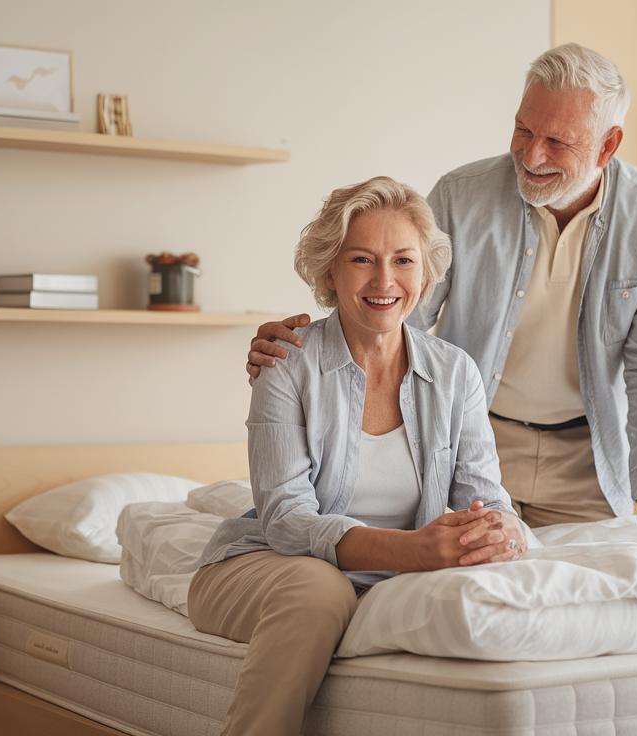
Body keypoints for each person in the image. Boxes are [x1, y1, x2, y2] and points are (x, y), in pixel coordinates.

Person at [248, 43, 637, 548]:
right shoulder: (459, 194)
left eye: (558, 142)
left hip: (587, 457)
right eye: (524, 130)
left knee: (586, 607)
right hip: (474, 445)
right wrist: (307, 351)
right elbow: (397, 309)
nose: (532, 156)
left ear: (606, 147)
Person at [192, 176, 528, 736]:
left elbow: (488, 498)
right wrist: (415, 551)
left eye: (403, 260)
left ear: (426, 272)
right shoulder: (286, 364)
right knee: (320, 588)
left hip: (399, 569)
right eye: (361, 260)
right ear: (329, 271)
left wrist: (503, 534)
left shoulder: (455, 373)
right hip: (263, 566)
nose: (385, 280)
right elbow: (286, 521)